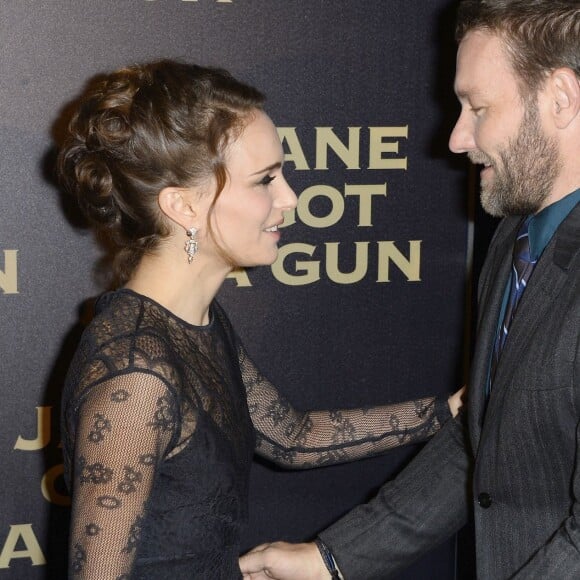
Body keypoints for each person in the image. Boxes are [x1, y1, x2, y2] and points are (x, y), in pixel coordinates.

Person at [57, 60, 464, 579]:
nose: (290, 199)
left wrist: (447, 411)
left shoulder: (193, 323)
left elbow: (289, 435)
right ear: (182, 205)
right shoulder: (137, 375)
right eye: (264, 180)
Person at [239, 0, 580, 578]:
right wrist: (332, 559)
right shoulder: (515, 241)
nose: (455, 138)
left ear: (561, 99)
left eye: (477, 107)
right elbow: (485, 440)